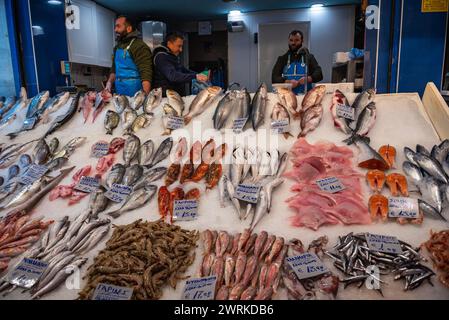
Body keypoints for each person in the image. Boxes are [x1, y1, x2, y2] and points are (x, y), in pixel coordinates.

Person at [106, 16, 152, 96]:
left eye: (118, 26)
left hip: (135, 93)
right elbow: (114, 69)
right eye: (115, 27)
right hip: (119, 92)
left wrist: (144, 98)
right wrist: (109, 83)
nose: (115, 30)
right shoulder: (117, 47)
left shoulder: (139, 46)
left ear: (129, 29)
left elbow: (146, 74)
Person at [152, 32, 208, 96]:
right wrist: (195, 76)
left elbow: (183, 70)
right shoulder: (161, 57)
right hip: (165, 98)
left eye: (181, 46)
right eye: (179, 46)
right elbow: (172, 76)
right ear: (169, 43)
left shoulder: (171, 56)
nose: (181, 50)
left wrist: (199, 74)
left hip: (175, 95)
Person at [272, 30, 323, 94]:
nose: (293, 43)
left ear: (302, 41)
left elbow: (319, 74)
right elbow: (274, 78)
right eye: (291, 40)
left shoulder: (309, 57)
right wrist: (288, 82)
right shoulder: (282, 59)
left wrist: (308, 79)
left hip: (306, 95)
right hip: (286, 96)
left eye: (296, 40)